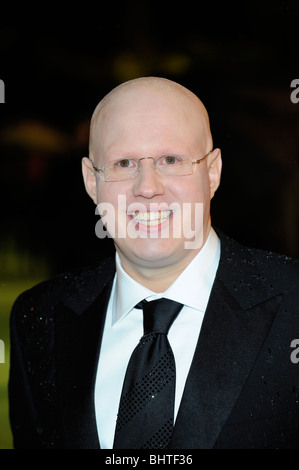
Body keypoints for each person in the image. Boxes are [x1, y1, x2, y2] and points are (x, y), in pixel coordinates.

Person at [9, 77, 299, 449]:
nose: (147, 186)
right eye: (124, 162)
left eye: (170, 160)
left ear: (212, 172)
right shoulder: (39, 319)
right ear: (91, 181)